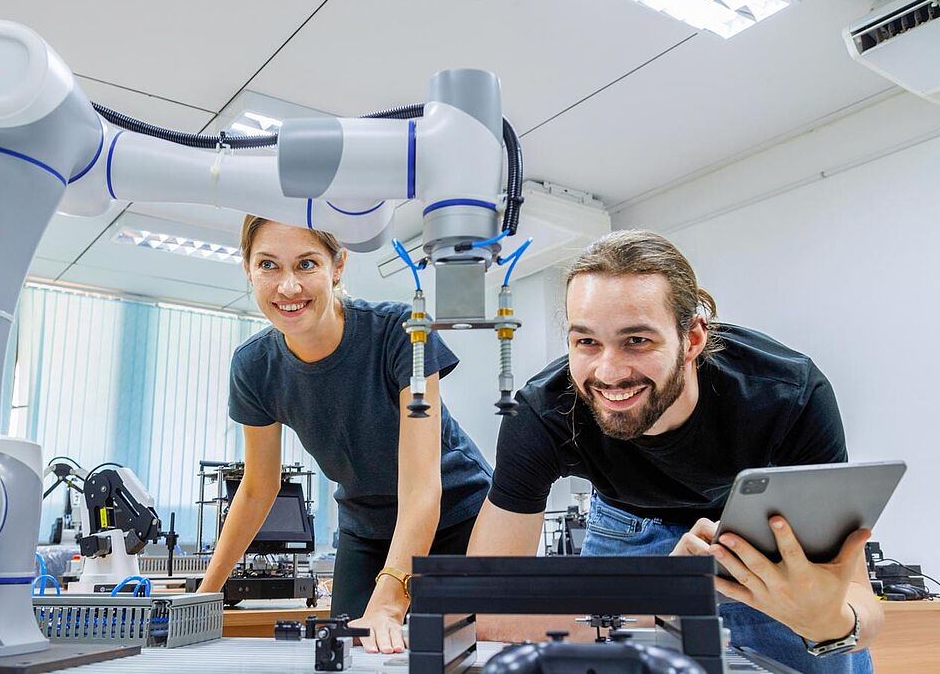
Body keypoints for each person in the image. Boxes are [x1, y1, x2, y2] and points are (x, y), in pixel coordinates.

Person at [466, 230, 881, 673]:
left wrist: (832, 623)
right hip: (624, 520)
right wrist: (664, 592)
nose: (608, 372)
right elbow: (484, 611)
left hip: (752, 528)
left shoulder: (789, 394)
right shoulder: (542, 413)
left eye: (637, 340)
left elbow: (858, 599)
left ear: (693, 339)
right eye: (586, 341)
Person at [198, 216, 492, 654]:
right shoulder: (254, 366)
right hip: (365, 526)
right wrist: (204, 597)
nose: (288, 287)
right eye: (268, 266)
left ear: (338, 266)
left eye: (306, 264)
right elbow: (259, 487)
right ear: (247, 268)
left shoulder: (400, 330)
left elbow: (420, 486)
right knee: (348, 652)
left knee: (457, 652)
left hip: (456, 514)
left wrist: (392, 601)